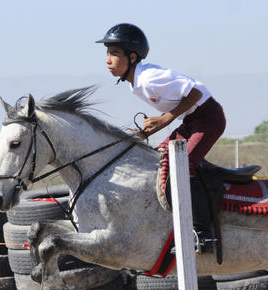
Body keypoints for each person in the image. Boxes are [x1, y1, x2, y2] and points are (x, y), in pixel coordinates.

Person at [96, 23, 225, 254]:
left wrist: (165, 119)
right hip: (192, 121)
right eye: (107, 53)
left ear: (132, 57)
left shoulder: (149, 78)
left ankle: (203, 234)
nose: (107, 60)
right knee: (161, 159)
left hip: (209, 118)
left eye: (114, 53)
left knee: (182, 167)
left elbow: (195, 92)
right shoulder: (134, 84)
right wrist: (147, 132)